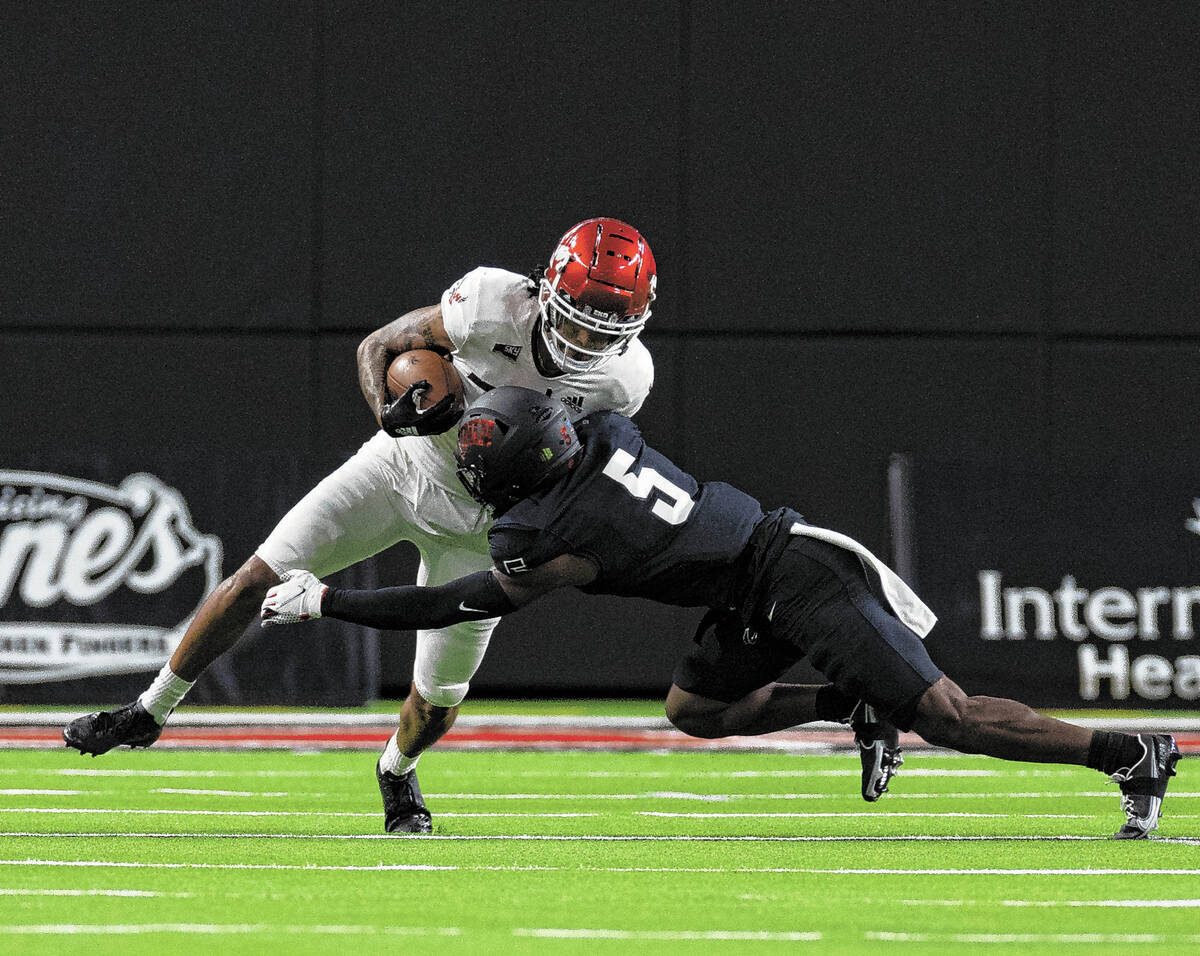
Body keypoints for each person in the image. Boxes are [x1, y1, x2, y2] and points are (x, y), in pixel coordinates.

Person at [261, 386, 1181, 840]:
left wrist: (331, 598)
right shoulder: (600, 435)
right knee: (695, 711)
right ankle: (846, 704)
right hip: (754, 581)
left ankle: (1128, 753)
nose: (472, 472)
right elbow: (520, 421)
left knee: (950, 717)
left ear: (525, 478)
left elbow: (453, 598)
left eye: (483, 465)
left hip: (802, 578)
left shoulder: (548, 531)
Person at [64, 218, 663, 835]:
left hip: (485, 525)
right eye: (574, 319)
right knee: (253, 578)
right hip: (401, 468)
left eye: (605, 331)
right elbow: (377, 346)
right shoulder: (489, 304)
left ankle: (396, 768)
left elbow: (580, 473)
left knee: (438, 702)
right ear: (548, 292)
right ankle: (149, 710)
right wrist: (393, 415)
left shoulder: (625, 379)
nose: (585, 341)